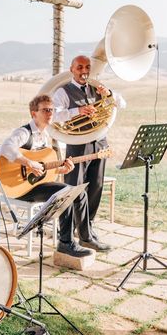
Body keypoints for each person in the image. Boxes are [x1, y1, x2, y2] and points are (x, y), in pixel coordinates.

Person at [0, 94, 110, 257]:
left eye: (51, 110)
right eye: (45, 110)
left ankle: (85, 237)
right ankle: (66, 243)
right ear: (33, 113)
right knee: (65, 193)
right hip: (20, 187)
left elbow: (44, 170)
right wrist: (28, 163)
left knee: (78, 192)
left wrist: (62, 170)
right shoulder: (24, 132)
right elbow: (6, 148)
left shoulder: (46, 136)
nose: (49, 113)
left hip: (36, 184)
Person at [53, 55, 126, 245]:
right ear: (72, 69)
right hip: (77, 145)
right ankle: (71, 236)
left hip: (100, 143)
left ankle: (87, 230)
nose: (84, 71)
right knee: (75, 189)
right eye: (79, 67)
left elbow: (122, 103)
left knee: (96, 187)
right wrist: (78, 111)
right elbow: (54, 115)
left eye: (87, 67)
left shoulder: (98, 87)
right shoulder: (63, 91)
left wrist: (108, 93)